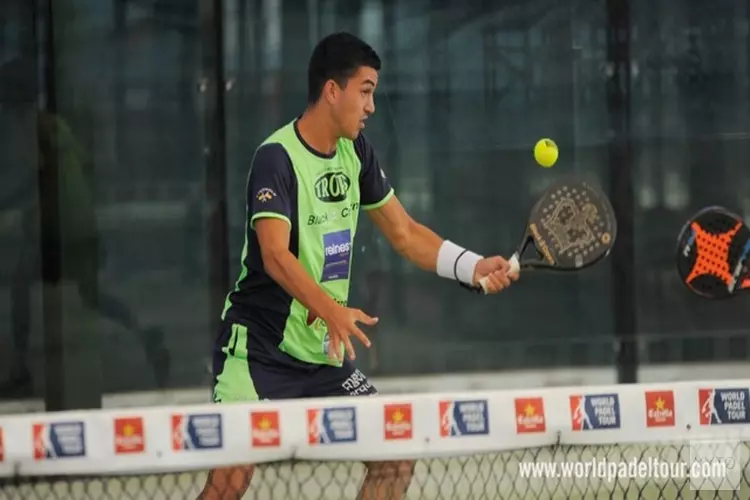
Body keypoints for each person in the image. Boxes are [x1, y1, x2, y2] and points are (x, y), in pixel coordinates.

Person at [199, 32, 518, 500]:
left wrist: (471, 267)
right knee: (229, 482)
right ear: (333, 90)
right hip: (258, 351)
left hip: (323, 359)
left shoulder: (356, 153)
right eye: (365, 90)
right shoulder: (276, 158)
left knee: (395, 453)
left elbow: (405, 234)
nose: (371, 105)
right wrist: (331, 309)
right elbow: (274, 255)